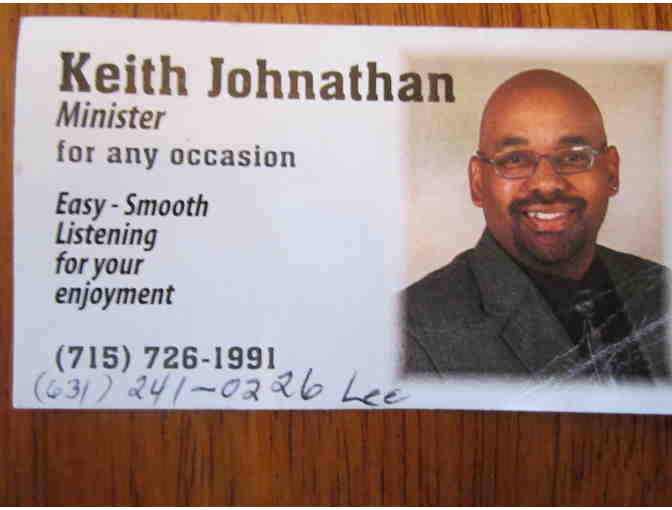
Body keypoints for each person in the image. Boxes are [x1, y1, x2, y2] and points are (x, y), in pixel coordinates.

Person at [403, 69, 670, 383]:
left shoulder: (661, 288)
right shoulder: (410, 333)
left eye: (573, 157)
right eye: (514, 159)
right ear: (477, 183)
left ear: (611, 172)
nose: (546, 184)